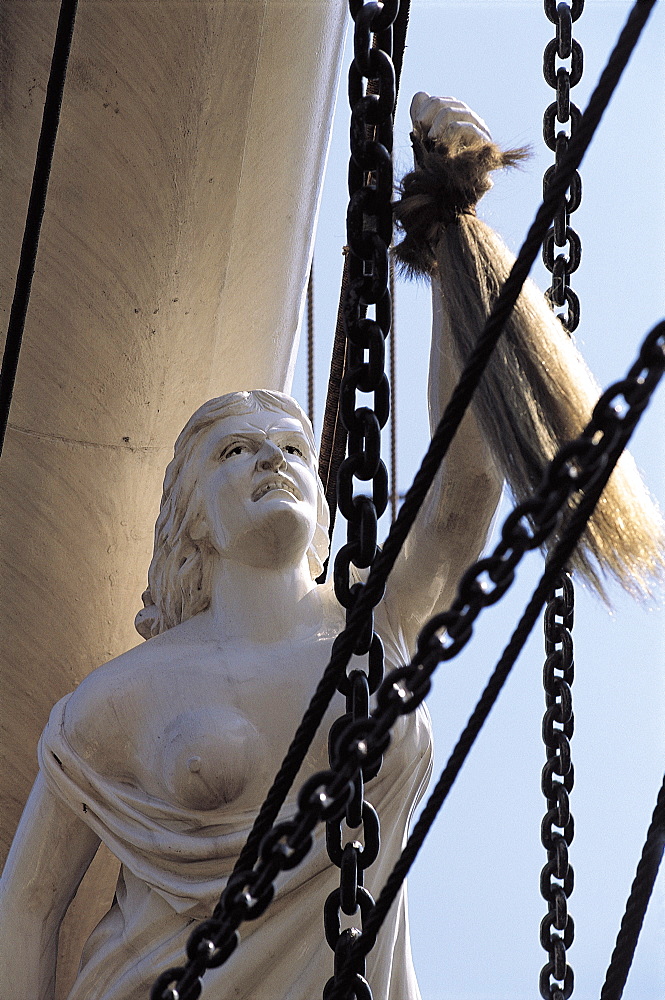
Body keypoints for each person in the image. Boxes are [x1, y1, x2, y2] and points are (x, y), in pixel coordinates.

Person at [0, 98, 661, 1000]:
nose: (273, 462)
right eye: (236, 453)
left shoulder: (376, 625)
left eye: (293, 452)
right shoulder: (113, 703)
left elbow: (462, 494)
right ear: (191, 515)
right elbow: (31, 905)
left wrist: (448, 227)